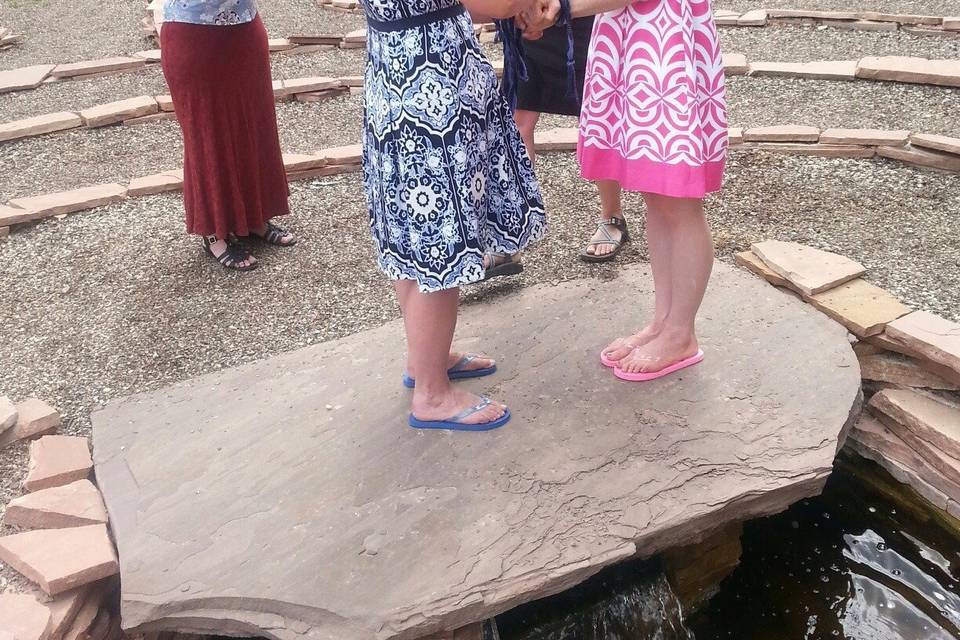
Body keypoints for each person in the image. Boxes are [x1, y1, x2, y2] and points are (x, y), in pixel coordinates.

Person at [362, 0, 547, 430]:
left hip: (396, 72)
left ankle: (424, 357)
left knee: (414, 235)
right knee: (440, 243)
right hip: (432, 93)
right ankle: (432, 394)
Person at [524, 0, 727, 381]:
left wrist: (559, 8)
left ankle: (681, 333)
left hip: (662, 46)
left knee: (677, 201)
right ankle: (664, 323)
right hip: (638, 39)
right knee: (656, 195)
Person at [159, 0, 297, 272]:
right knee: (207, 133)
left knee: (256, 126)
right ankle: (214, 232)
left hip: (244, 31)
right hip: (193, 32)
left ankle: (254, 217)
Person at [511, 16, 630, 265]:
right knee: (518, 119)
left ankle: (612, 216)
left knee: (594, 115)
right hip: (529, 19)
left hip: (584, 18)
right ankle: (513, 230)